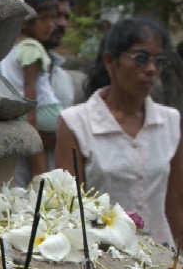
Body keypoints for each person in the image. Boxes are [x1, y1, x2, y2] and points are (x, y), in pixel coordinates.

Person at [55, 17, 183, 247]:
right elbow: (70, 209)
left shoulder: (171, 122)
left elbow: (175, 202)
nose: (152, 69)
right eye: (140, 58)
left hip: (161, 260)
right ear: (110, 62)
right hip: (104, 260)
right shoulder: (76, 123)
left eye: (159, 61)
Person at [0, 0, 61, 183]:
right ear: (26, 22)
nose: (51, 24)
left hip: (20, 114)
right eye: (44, 18)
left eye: (53, 18)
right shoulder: (32, 47)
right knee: (41, 172)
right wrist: (31, 126)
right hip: (39, 114)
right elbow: (29, 87)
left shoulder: (7, 47)